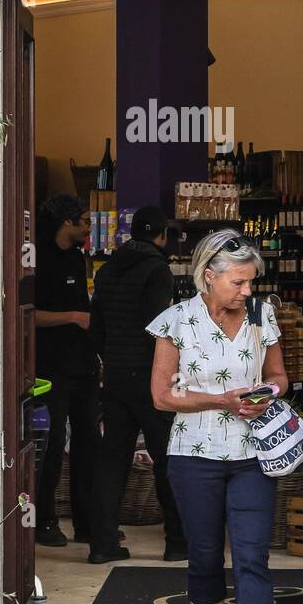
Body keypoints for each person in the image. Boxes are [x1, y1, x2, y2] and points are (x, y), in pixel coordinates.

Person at [147, 230, 292, 604]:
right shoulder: (176, 322)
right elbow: (162, 395)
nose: (247, 291)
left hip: (253, 456)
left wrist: (263, 396)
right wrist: (221, 400)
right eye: (238, 282)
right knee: (205, 556)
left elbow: (279, 378)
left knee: (253, 557)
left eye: (251, 282)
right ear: (208, 276)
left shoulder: (261, 316)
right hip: (194, 457)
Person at [88, 206, 187, 565]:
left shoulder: (109, 269)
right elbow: (158, 326)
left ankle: (102, 543)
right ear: (161, 235)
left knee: (111, 460)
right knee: (167, 457)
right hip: (148, 377)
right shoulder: (157, 270)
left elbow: (96, 328)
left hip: (114, 376)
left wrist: (112, 358)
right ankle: (177, 542)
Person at [34, 194, 101, 547]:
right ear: (67, 223)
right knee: (53, 442)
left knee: (89, 442)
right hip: (52, 365)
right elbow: (30, 315)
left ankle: (87, 523)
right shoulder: (39, 257)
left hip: (83, 364)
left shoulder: (78, 258)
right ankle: (45, 520)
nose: (89, 228)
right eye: (86, 221)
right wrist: (74, 317)